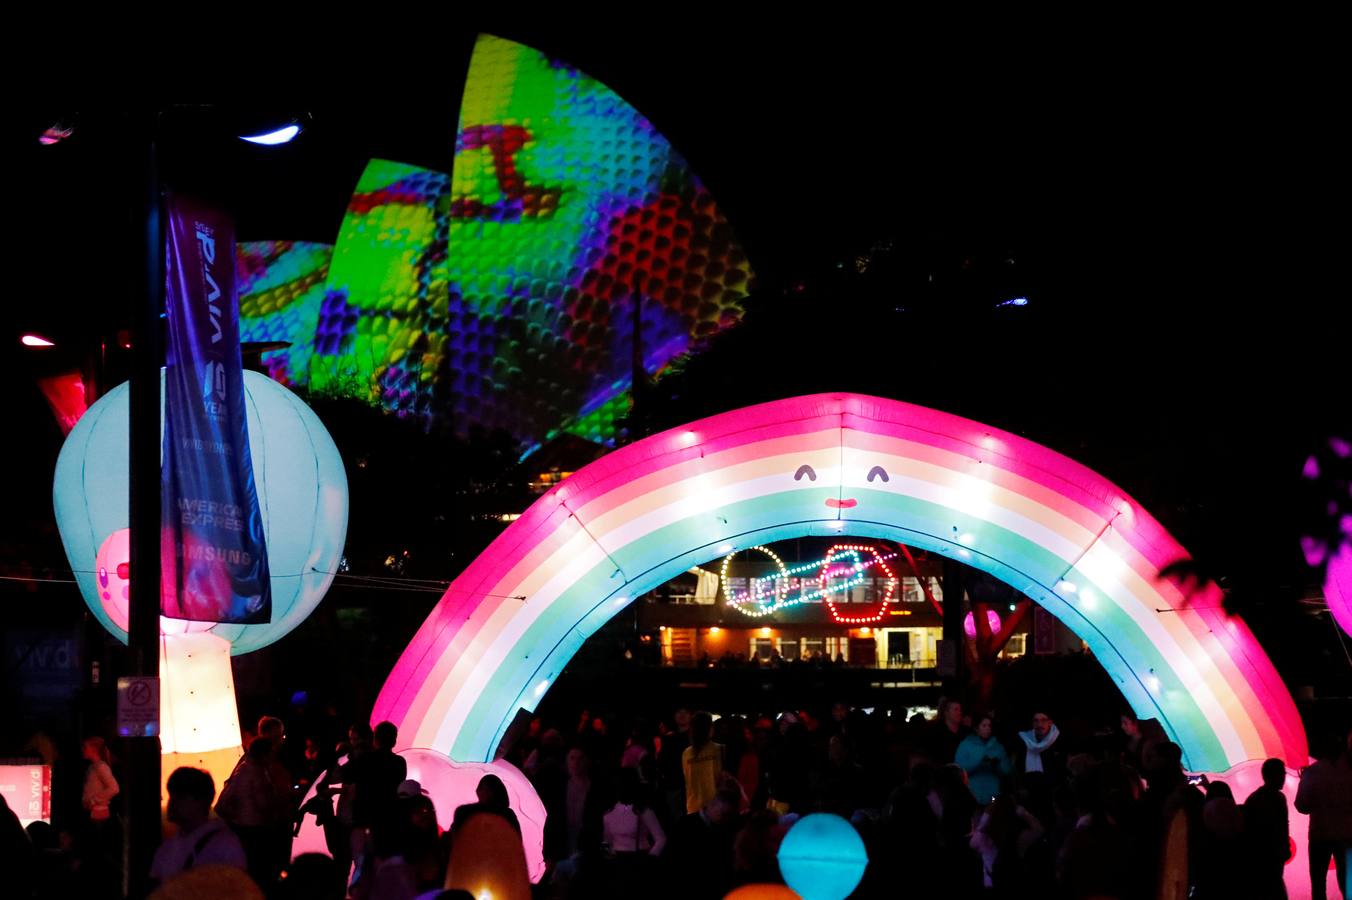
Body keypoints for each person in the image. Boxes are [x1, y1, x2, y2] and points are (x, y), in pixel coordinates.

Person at [150, 767, 247, 885]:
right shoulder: (168, 847)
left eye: (179, 796)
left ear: (199, 802)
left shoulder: (224, 846)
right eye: (172, 795)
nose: (171, 802)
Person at [1296, 736, 1352, 900]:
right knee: (1347, 882)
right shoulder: (1349, 773)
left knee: (1318, 883)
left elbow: (1301, 806)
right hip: (1347, 835)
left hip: (1320, 835)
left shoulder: (1312, 773)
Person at [603, 768, 667, 895]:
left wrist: (649, 860)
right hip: (618, 866)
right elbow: (607, 841)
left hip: (639, 861)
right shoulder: (609, 812)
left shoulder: (642, 810)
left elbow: (661, 838)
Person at [1243, 758, 1291, 899]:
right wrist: (1285, 847)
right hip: (1270, 855)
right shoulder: (1278, 798)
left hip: (1262, 855)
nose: (1284, 777)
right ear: (1272, 775)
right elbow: (1282, 826)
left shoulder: (1254, 799)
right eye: (1282, 774)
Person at [955, 714, 1012, 805]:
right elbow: (959, 770)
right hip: (972, 794)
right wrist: (978, 762)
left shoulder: (998, 746)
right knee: (976, 817)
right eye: (984, 725)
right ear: (976, 728)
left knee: (992, 815)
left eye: (989, 725)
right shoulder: (966, 745)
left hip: (993, 794)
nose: (988, 728)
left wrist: (997, 765)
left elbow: (1007, 771)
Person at [683, 712, 725, 814]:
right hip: (716, 806)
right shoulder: (720, 749)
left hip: (694, 806)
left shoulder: (686, 753)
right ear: (709, 728)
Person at [1019, 711, 1064, 781]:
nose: (1039, 724)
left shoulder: (1060, 742)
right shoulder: (1025, 741)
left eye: (1043, 720)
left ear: (1050, 722)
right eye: (1036, 721)